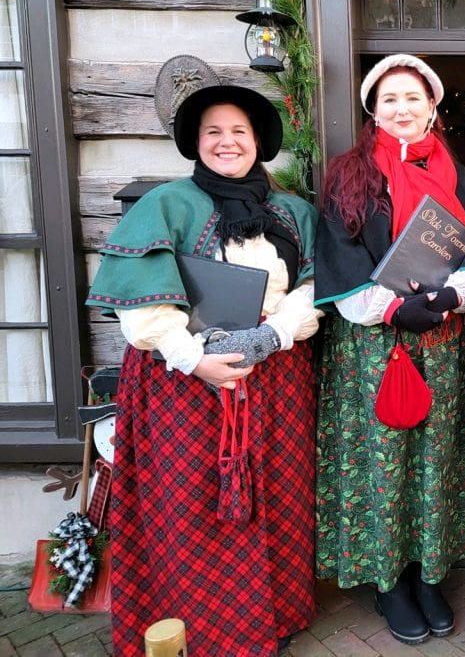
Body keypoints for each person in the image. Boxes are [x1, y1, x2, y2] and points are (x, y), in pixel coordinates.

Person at [86, 84, 322, 656]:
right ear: (195, 141)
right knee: (191, 500)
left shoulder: (293, 212)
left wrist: (271, 335)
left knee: (276, 495)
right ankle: (205, 627)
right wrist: (195, 357)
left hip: (275, 377)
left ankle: (271, 616)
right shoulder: (165, 204)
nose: (227, 142)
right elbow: (140, 307)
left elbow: (315, 288)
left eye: (239, 131)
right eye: (213, 131)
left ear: (259, 141)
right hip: (184, 387)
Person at [313, 54, 465, 645]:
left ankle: (428, 573)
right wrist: (395, 309)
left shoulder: (456, 175)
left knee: (434, 461)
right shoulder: (349, 175)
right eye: (390, 99)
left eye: (413, 99)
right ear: (374, 108)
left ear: (432, 109)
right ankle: (388, 578)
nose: (402, 109)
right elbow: (340, 259)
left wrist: (452, 296)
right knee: (383, 464)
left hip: (443, 345)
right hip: (375, 349)